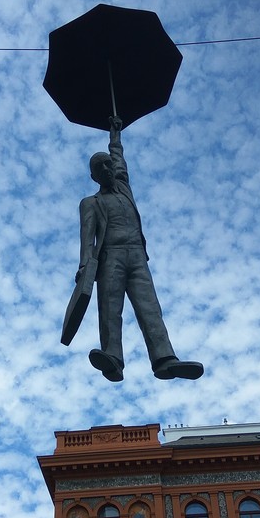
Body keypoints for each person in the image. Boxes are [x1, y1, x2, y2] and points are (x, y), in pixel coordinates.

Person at [75, 117, 203, 382]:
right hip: (111, 256)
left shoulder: (124, 187)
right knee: (110, 308)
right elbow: (87, 239)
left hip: (137, 255)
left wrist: (115, 135)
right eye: (100, 167)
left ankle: (165, 359)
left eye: (108, 164)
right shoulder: (90, 203)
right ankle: (113, 358)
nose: (107, 168)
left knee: (150, 307)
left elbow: (119, 158)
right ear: (93, 176)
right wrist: (85, 267)